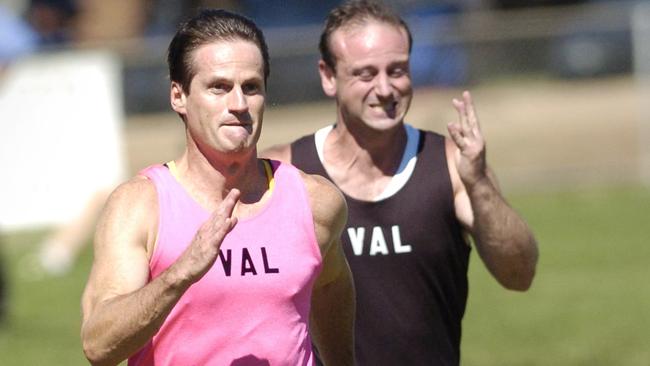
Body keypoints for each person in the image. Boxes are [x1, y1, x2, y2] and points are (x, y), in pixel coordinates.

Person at [262, 1, 539, 365]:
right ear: (328, 76)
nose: (385, 88)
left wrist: (480, 187)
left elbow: (519, 274)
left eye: (397, 70)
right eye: (365, 74)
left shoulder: (453, 165)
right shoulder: (284, 173)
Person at [81, 9, 355, 366]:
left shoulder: (314, 202)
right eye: (219, 87)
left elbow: (331, 286)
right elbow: (99, 346)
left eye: (251, 87)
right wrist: (180, 273)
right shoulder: (141, 205)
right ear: (179, 96)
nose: (239, 104)